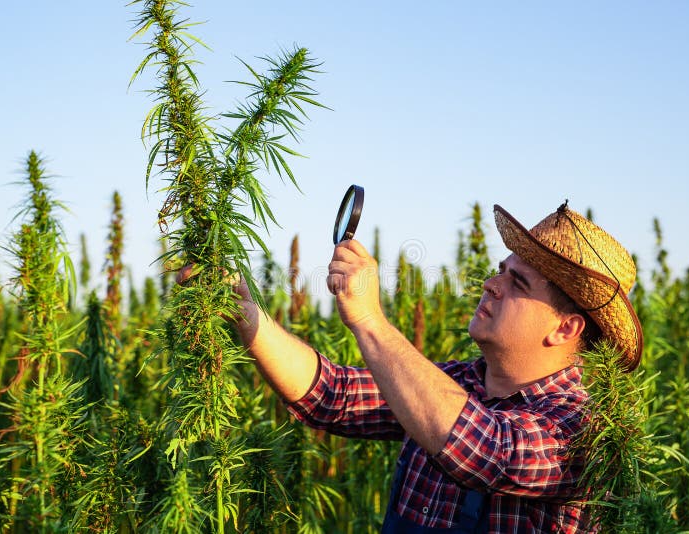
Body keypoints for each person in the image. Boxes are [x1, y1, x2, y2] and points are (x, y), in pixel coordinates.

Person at [217, 201, 643, 532]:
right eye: (501, 271)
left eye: (517, 283)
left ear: (565, 328)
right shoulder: (455, 384)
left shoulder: (587, 430)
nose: (491, 284)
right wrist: (246, 313)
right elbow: (333, 395)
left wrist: (370, 321)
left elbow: (487, 449)